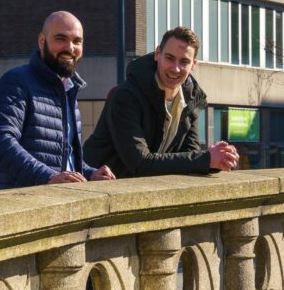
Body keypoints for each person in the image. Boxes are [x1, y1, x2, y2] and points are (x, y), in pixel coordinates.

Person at [0, 11, 115, 189]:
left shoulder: (69, 91)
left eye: (77, 41)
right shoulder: (16, 82)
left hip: (62, 205)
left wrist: (91, 174)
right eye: (61, 38)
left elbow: (63, 162)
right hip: (25, 208)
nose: (70, 48)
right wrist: (47, 177)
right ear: (41, 41)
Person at [84, 26, 238, 177]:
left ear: (194, 65)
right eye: (170, 58)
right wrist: (206, 159)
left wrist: (219, 159)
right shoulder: (125, 96)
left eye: (184, 62)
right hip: (99, 189)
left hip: (142, 192)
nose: (175, 69)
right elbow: (140, 164)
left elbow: (190, 155)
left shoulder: (191, 99)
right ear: (158, 54)